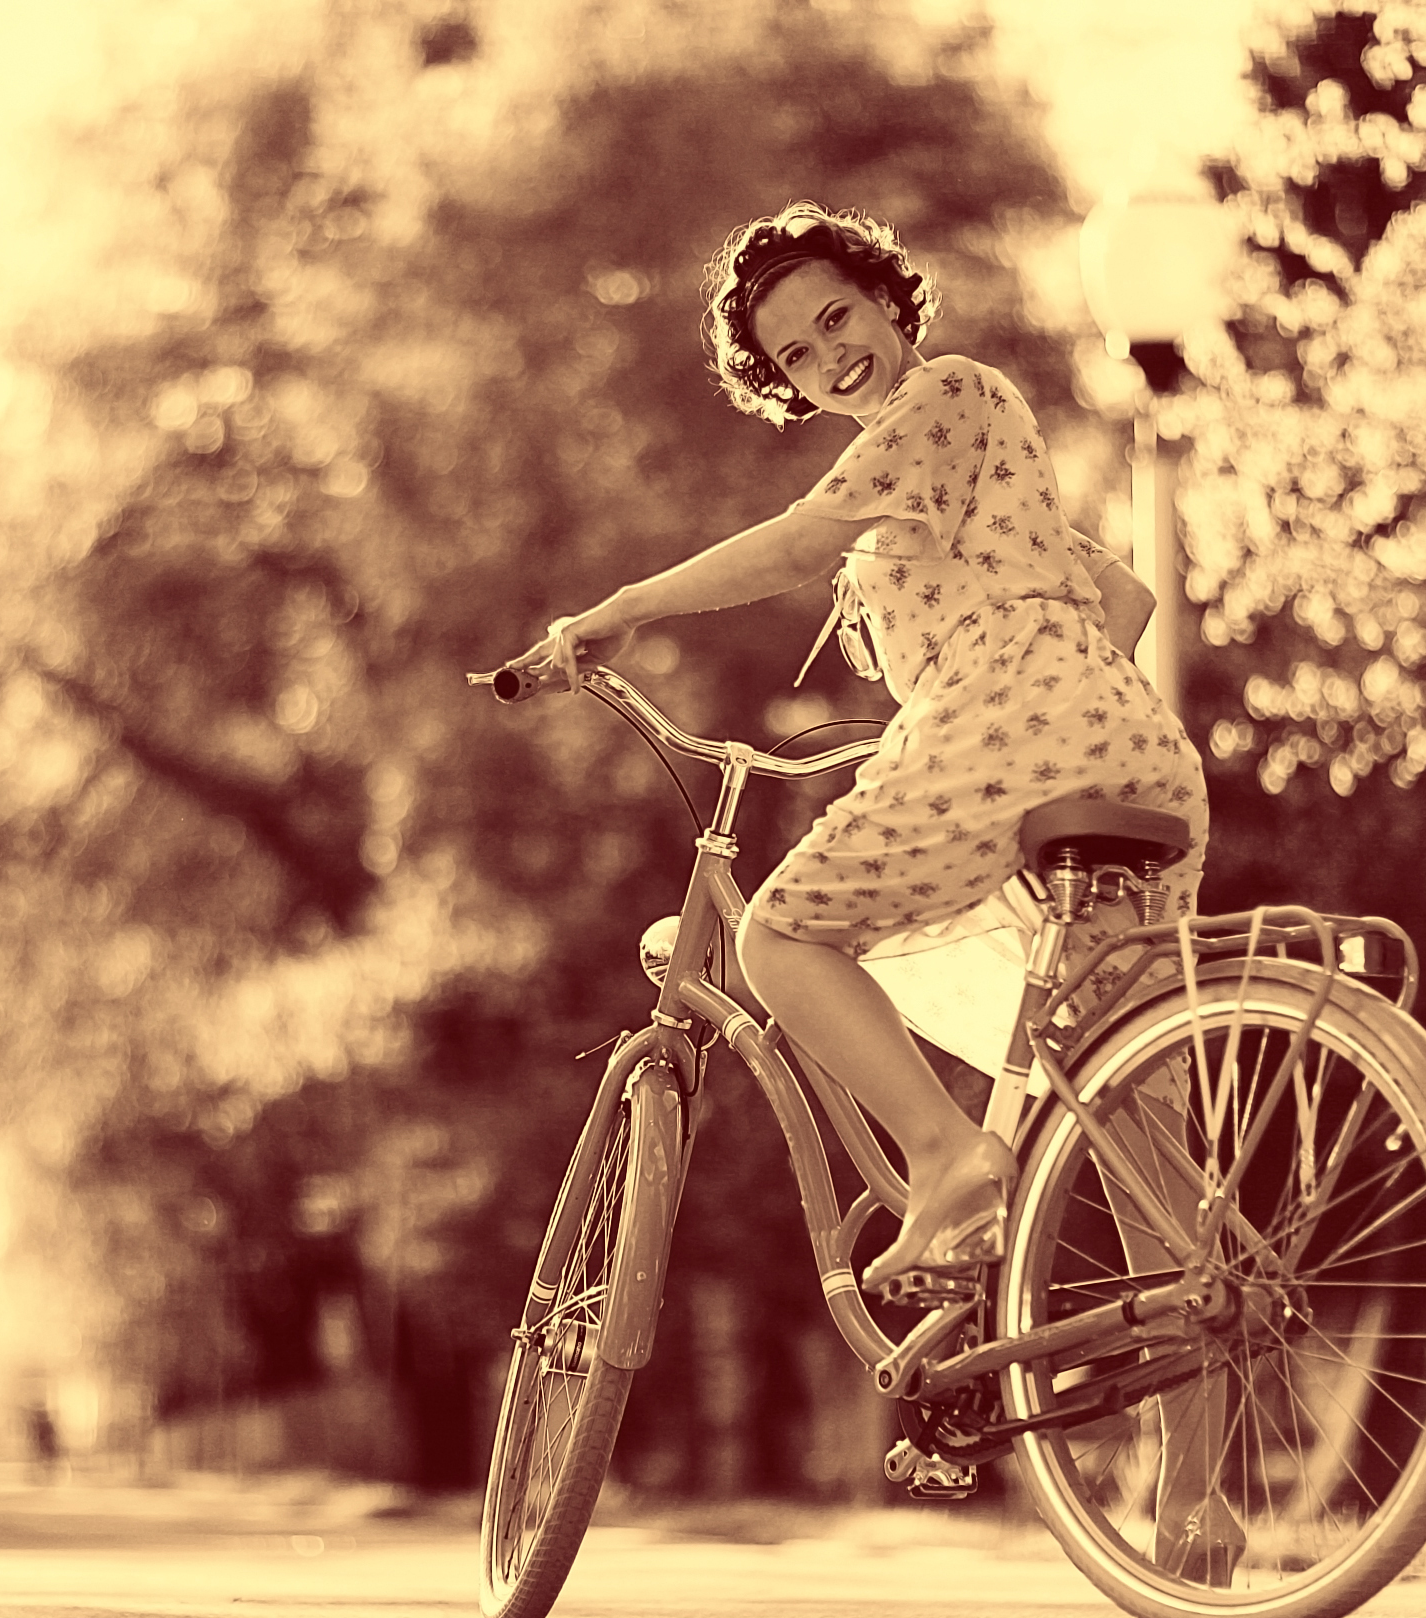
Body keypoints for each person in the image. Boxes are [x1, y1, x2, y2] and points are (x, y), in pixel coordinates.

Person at [516, 202, 1209, 1289]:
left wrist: (625, 606)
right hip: (1120, 743)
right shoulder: (967, 453)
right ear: (782, 382)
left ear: (889, 298)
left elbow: (800, 541)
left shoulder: (944, 390)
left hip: (1022, 718)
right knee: (1124, 1116)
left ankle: (942, 1152)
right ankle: (1196, 1440)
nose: (830, 357)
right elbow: (1121, 592)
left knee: (781, 937)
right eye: (796, 352)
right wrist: (1051, 704)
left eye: (839, 319)